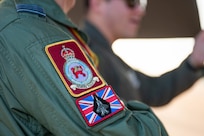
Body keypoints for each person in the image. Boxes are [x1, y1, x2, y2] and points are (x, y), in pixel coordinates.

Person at [0, 0, 168, 135]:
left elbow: (150, 89)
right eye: (131, 2)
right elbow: (117, 131)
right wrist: (152, 125)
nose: (140, 10)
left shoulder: (22, 24)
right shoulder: (40, 37)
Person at [81, 0, 204, 106]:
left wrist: (194, 62)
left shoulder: (107, 57)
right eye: (132, 1)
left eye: (142, 3)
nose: (140, 10)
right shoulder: (85, 55)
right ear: (97, 3)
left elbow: (153, 91)